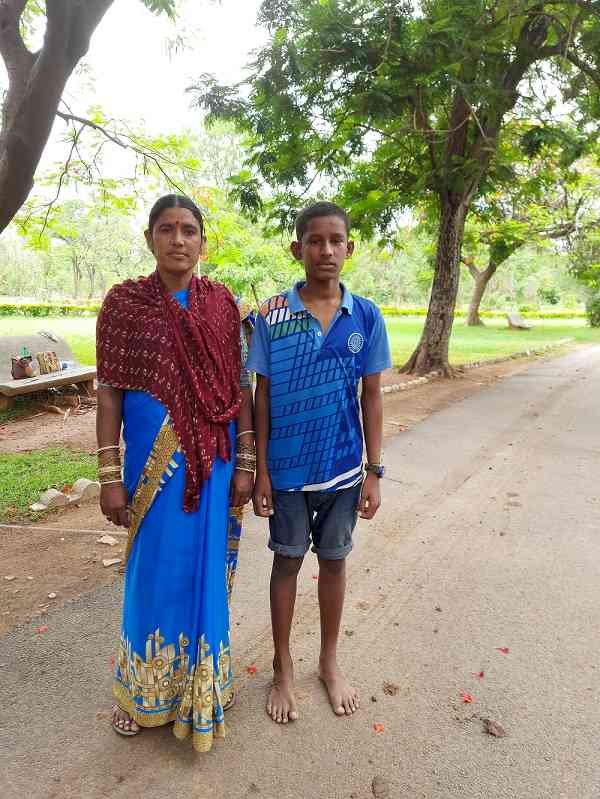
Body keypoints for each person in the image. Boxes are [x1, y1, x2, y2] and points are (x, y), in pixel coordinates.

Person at [95, 193, 255, 752]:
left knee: (204, 571)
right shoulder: (123, 306)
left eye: (189, 229)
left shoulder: (220, 305)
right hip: (150, 470)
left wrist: (248, 463)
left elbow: (239, 389)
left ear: (203, 243)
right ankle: (139, 692)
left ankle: (205, 682)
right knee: (153, 570)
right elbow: (109, 393)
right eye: (167, 229)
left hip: (215, 462)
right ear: (149, 239)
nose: (179, 239)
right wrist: (108, 474)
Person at [247, 201, 391, 724]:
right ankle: (283, 666)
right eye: (315, 240)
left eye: (336, 241)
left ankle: (329, 661)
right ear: (297, 248)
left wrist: (374, 471)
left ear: (349, 249)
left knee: (334, 561)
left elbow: (371, 396)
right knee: (286, 562)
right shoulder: (269, 315)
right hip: (285, 475)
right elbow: (258, 397)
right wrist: (260, 468)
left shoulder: (367, 315)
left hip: (345, 471)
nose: (326, 250)